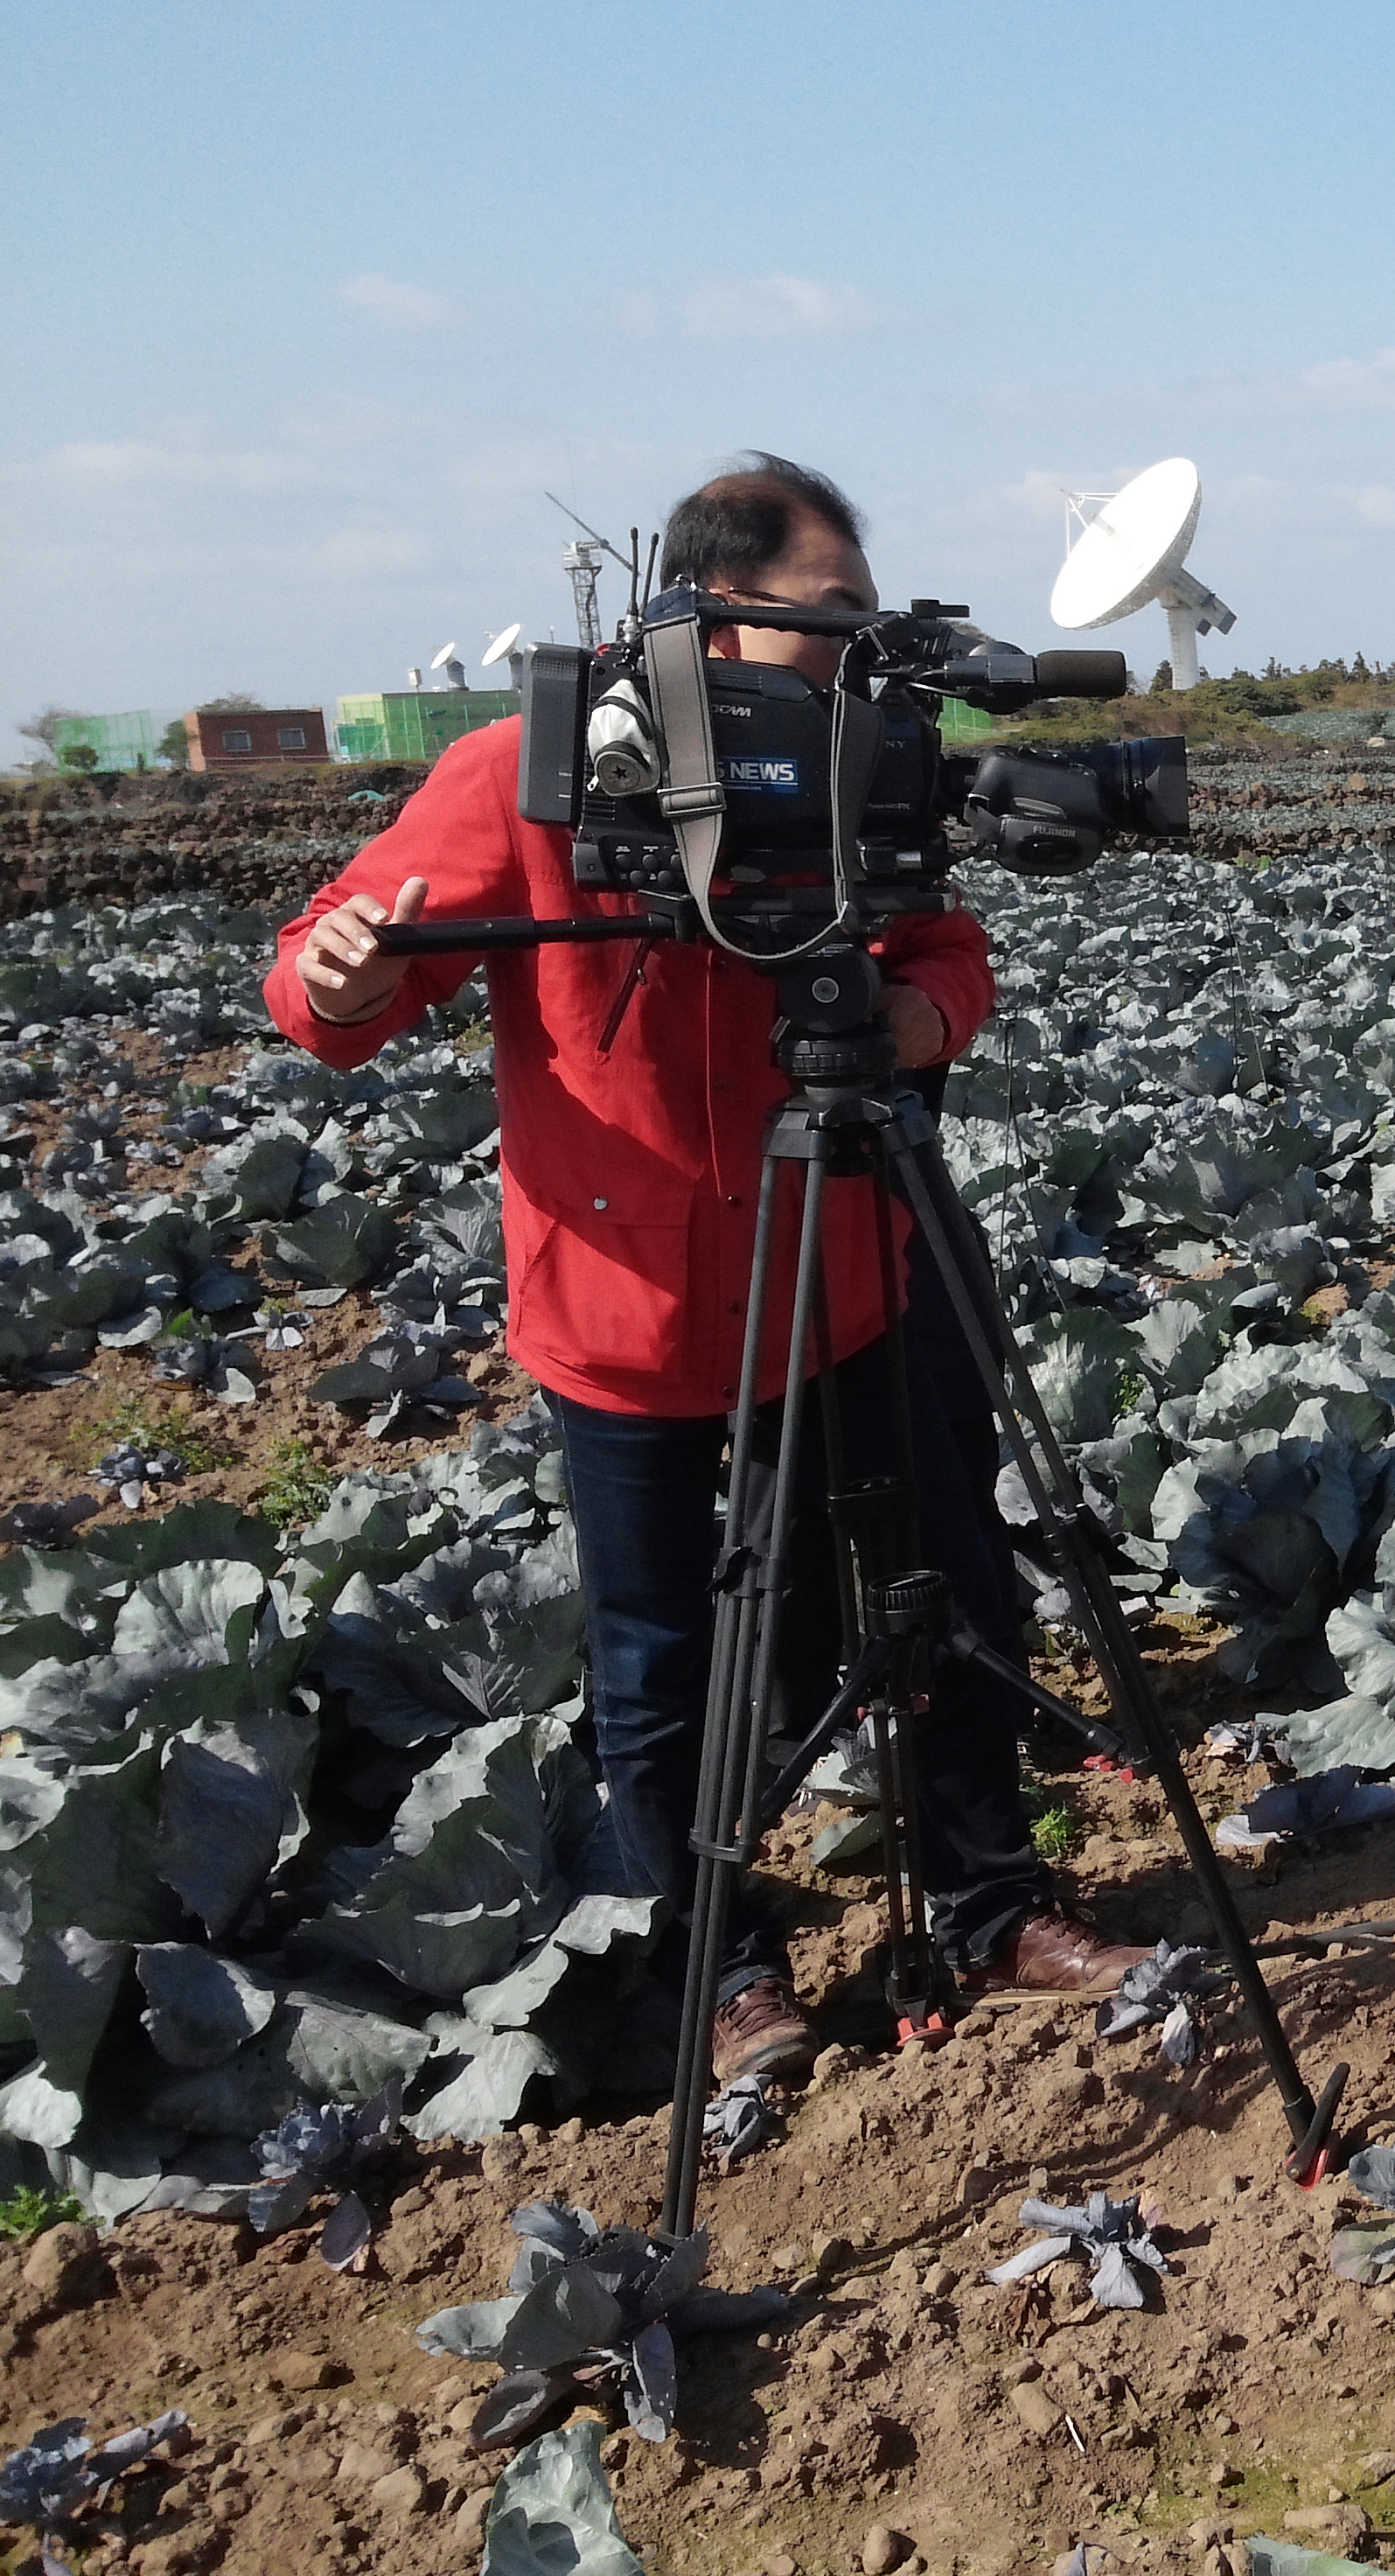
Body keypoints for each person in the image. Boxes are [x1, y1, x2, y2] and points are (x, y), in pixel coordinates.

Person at [264, 452, 1147, 2091]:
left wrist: (915, 1018)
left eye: (863, 621)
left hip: (846, 1269)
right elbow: (336, 985)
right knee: (663, 1662)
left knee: (937, 1591)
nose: (849, 651)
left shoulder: (861, 765)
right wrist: (334, 972)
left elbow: (943, 945)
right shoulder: (526, 772)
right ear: (708, 614)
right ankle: (726, 1973)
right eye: (825, 618)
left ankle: (989, 1902)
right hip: (627, 1313)